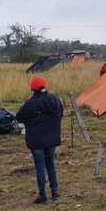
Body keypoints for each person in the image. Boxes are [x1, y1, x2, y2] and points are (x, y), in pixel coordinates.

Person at [16, 76, 63, 204]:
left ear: (33, 88)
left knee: (40, 169)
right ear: (44, 86)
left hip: (36, 141)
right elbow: (61, 114)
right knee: (51, 166)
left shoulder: (30, 103)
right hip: (52, 139)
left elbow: (19, 117)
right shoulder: (54, 99)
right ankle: (55, 193)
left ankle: (42, 196)